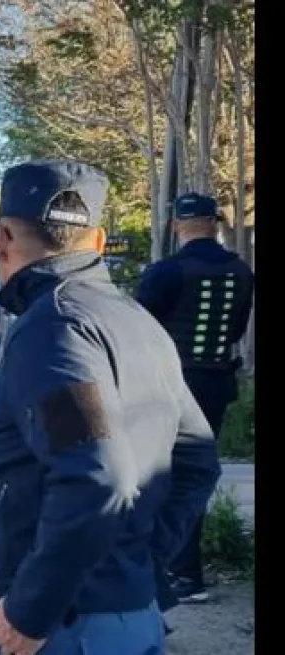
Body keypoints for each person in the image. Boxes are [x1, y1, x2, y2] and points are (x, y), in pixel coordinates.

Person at [0, 160, 222, 654]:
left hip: (54, 630)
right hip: (125, 617)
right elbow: (198, 461)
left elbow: (94, 476)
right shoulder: (136, 322)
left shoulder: (53, 333)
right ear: (96, 243)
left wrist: (29, 611)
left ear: (2, 239)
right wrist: (139, 568)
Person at [137, 192, 254, 604]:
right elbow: (238, 329)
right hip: (215, 385)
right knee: (195, 474)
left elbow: (137, 327)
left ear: (175, 227)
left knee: (153, 473)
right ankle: (186, 573)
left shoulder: (167, 272)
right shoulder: (241, 271)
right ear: (216, 223)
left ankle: (159, 567)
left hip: (168, 384)